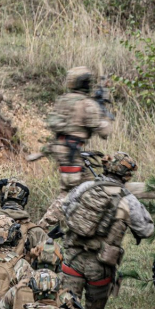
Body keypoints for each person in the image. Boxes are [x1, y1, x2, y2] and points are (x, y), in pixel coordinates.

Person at [61, 152, 154, 309]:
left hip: (72, 259)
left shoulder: (85, 187)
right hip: (100, 266)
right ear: (127, 176)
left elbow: (66, 209)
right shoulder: (127, 198)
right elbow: (146, 230)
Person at [39, 67, 113, 228]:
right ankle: (41, 228)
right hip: (71, 155)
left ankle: (83, 226)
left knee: (92, 187)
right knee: (70, 194)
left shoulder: (64, 100)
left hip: (65, 152)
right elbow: (105, 132)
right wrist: (104, 114)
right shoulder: (87, 104)